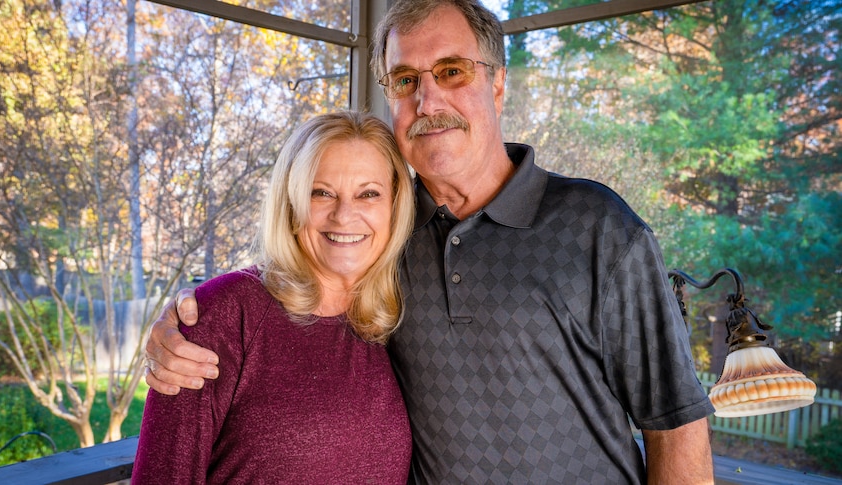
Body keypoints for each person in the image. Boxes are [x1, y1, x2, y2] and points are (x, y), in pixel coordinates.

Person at [144, 1, 716, 483]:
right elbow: (302, 271)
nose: (428, 101)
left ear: (496, 81)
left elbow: (675, 420)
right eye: (406, 80)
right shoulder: (386, 234)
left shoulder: (599, 228)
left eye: (451, 72)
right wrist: (184, 325)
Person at [131, 111, 416, 484]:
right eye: (321, 192)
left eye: (369, 194)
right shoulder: (224, 314)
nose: (345, 215)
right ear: (292, 203)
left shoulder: (396, 316)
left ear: (394, 206)